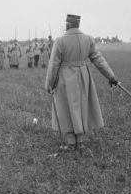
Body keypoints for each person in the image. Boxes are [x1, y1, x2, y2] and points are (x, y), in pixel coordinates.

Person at [45, 14, 118, 152]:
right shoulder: (88, 39)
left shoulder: (60, 41)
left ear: (68, 24)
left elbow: (53, 65)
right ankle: (81, 141)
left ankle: (71, 142)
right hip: (84, 76)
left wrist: (49, 84)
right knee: (82, 106)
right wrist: (111, 76)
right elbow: (98, 60)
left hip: (65, 78)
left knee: (66, 108)